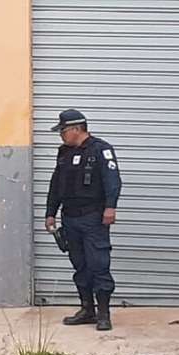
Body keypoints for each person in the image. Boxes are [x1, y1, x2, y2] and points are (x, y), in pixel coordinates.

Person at [45, 109, 122, 331]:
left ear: (76, 129)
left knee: (98, 264)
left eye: (63, 131)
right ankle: (87, 309)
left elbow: (113, 180)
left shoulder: (101, 150)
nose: (61, 135)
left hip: (93, 217)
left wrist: (110, 207)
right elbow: (56, 185)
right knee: (80, 265)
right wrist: (50, 213)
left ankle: (104, 313)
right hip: (70, 218)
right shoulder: (64, 153)